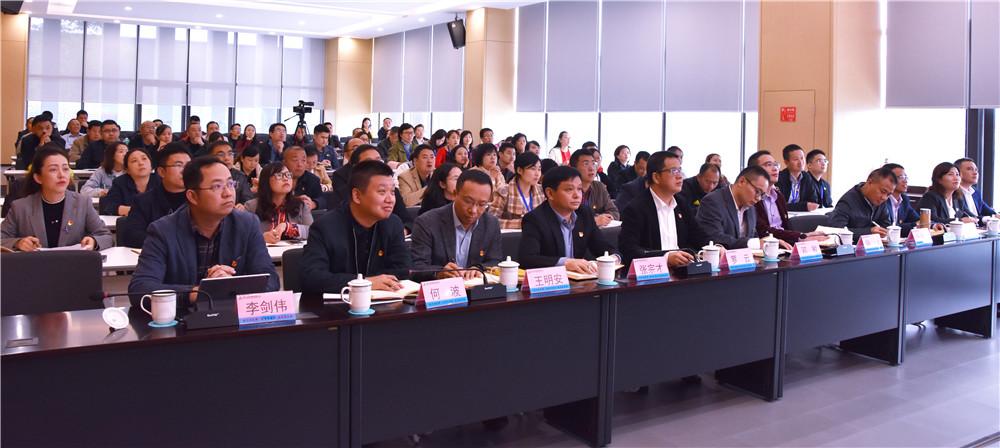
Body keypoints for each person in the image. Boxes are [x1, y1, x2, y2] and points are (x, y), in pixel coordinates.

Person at [129, 156, 280, 307]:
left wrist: (230, 286)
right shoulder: (163, 231)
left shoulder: (247, 224)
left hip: (231, 315)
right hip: (182, 317)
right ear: (192, 196)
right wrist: (201, 292)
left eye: (230, 184)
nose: (228, 193)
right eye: (217, 186)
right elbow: (140, 289)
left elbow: (271, 279)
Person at [301, 160, 412, 293]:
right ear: (357, 196)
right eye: (382, 192)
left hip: (385, 301)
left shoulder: (393, 224)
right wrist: (365, 283)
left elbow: (403, 270)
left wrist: (374, 281)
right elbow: (312, 278)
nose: (390, 199)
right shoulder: (325, 227)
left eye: (392, 192)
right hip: (339, 303)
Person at [2, 146, 113, 251]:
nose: (61, 175)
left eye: (65, 169)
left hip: (71, 263)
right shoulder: (20, 207)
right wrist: (18, 243)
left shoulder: (82, 203)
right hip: (35, 264)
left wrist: (93, 241)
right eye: (53, 170)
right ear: (38, 178)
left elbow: (106, 236)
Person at [519, 166, 618, 273]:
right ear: (550, 193)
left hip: (580, 280)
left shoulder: (584, 213)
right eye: (569, 189)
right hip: (552, 280)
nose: (577, 195)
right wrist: (565, 263)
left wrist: (614, 257)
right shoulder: (535, 219)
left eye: (579, 189)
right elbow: (528, 259)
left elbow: (603, 247)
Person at [619, 151, 708, 268]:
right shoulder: (636, 208)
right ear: (656, 177)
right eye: (673, 171)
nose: (680, 176)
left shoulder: (681, 204)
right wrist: (665, 258)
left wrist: (715, 247)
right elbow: (629, 249)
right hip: (654, 273)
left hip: (683, 270)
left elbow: (698, 235)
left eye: (680, 170)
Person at [410, 169, 503, 282]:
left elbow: (495, 261)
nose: (473, 210)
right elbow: (417, 267)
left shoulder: (491, 224)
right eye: (468, 201)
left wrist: (479, 269)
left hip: (476, 289)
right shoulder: (427, 223)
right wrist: (439, 273)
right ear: (455, 194)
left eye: (482, 204)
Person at [120, 143, 191, 248]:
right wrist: (169, 244)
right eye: (178, 165)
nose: (184, 171)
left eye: (188, 165)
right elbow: (132, 236)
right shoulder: (143, 201)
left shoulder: (200, 198)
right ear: (162, 172)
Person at [750, 150, 820, 247]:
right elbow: (762, 230)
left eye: (776, 164)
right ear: (754, 171)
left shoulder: (779, 196)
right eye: (768, 165)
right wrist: (799, 236)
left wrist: (800, 239)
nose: (775, 168)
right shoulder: (752, 197)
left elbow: (786, 228)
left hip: (786, 246)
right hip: (767, 246)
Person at [696, 165, 769, 249]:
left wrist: (766, 243)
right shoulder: (713, 201)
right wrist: (752, 243)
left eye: (762, 195)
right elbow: (714, 237)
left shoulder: (751, 207)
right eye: (758, 191)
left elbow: (753, 236)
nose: (759, 198)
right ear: (741, 181)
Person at [245, 162, 313, 243]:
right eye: (279, 175)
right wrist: (261, 237)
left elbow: (313, 231)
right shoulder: (251, 206)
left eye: (288, 175)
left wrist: (288, 227)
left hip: (293, 250)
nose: (286, 179)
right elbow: (242, 235)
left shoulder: (300, 204)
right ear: (266, 181)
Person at [827, 167, 898, 240]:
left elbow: (886, 226)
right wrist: (869, 231)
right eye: (883, 192)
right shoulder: (848, 201)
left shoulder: (881, 201)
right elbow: (836, 231)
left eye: (888, 194)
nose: (884, 198)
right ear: (870, 183)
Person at [489, 152, 544, 229]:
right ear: (519, 170)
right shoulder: (503, 192)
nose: (537, 174)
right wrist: (522, 224)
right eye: (533, 169)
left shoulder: (542, 191)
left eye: (539, 169)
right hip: (513, 236)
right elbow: (491, 221)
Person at [102, 148, 161, 216]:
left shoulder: (161, 181)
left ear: (151, 166)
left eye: (144, 159)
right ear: (127, 170)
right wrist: (135, 211)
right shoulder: (120, 183)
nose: (141, 163)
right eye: (134, 161)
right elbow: (109, 206)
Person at [570, 148, 618, 225]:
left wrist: (604, 218)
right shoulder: (568, 189)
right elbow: (566, 218)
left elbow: (614, 212)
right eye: (586, 164)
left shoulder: (599, 187)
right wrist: (593, 221)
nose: (592, 168)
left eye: (593, 163)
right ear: (574, 168)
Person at [881, 163, 924, 234]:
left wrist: (934, 225)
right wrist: (915, 225)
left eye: (906, 177)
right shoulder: (882, 199)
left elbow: (917, 219)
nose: (905, 181)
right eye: (901, 177)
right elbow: (888, 226)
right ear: (887, 180)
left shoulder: (904, 199)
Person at [209, 140, 254, 207]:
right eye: (221, 155)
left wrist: (242, 205)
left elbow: (249, 199)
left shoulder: (239, 176)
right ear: (210, 157)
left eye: (230, 154)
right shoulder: (206, 176)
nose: (227, 158)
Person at [776, 144, 819, 211]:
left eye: (802, 158)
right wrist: (803, 206)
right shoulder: (779, 178)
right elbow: (779, 204)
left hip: (801, 215)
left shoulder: (806, 176)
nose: (800, 162)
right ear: (786, 162)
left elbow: (813, 200)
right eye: (796, 159)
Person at [283, 146, 327, 210]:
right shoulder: (277, 178)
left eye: (303, 161)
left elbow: (322, 200)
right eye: (295, 160)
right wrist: (293, 202)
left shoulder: (312, 179)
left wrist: (313, 204)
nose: (300, 165)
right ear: (284, 162)